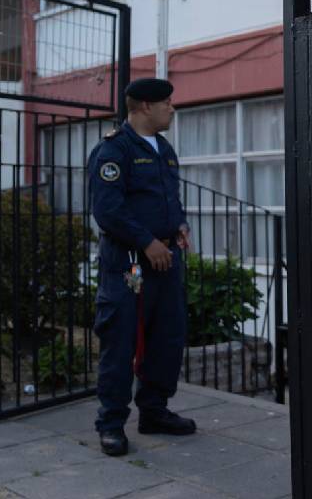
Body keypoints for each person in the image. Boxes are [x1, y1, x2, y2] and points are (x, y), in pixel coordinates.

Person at [88, 77, 195, 456]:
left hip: (165, 262)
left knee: (167, 338)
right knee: (120, 341)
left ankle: (154, 410)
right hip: (130, 266)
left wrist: (179, 227)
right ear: (145, 107)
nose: (172, 108)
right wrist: (147, 241)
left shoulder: (164, 149)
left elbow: (171, 200)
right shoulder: (114, 151)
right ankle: (112, 424)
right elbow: (107, 210)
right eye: (167, 102)